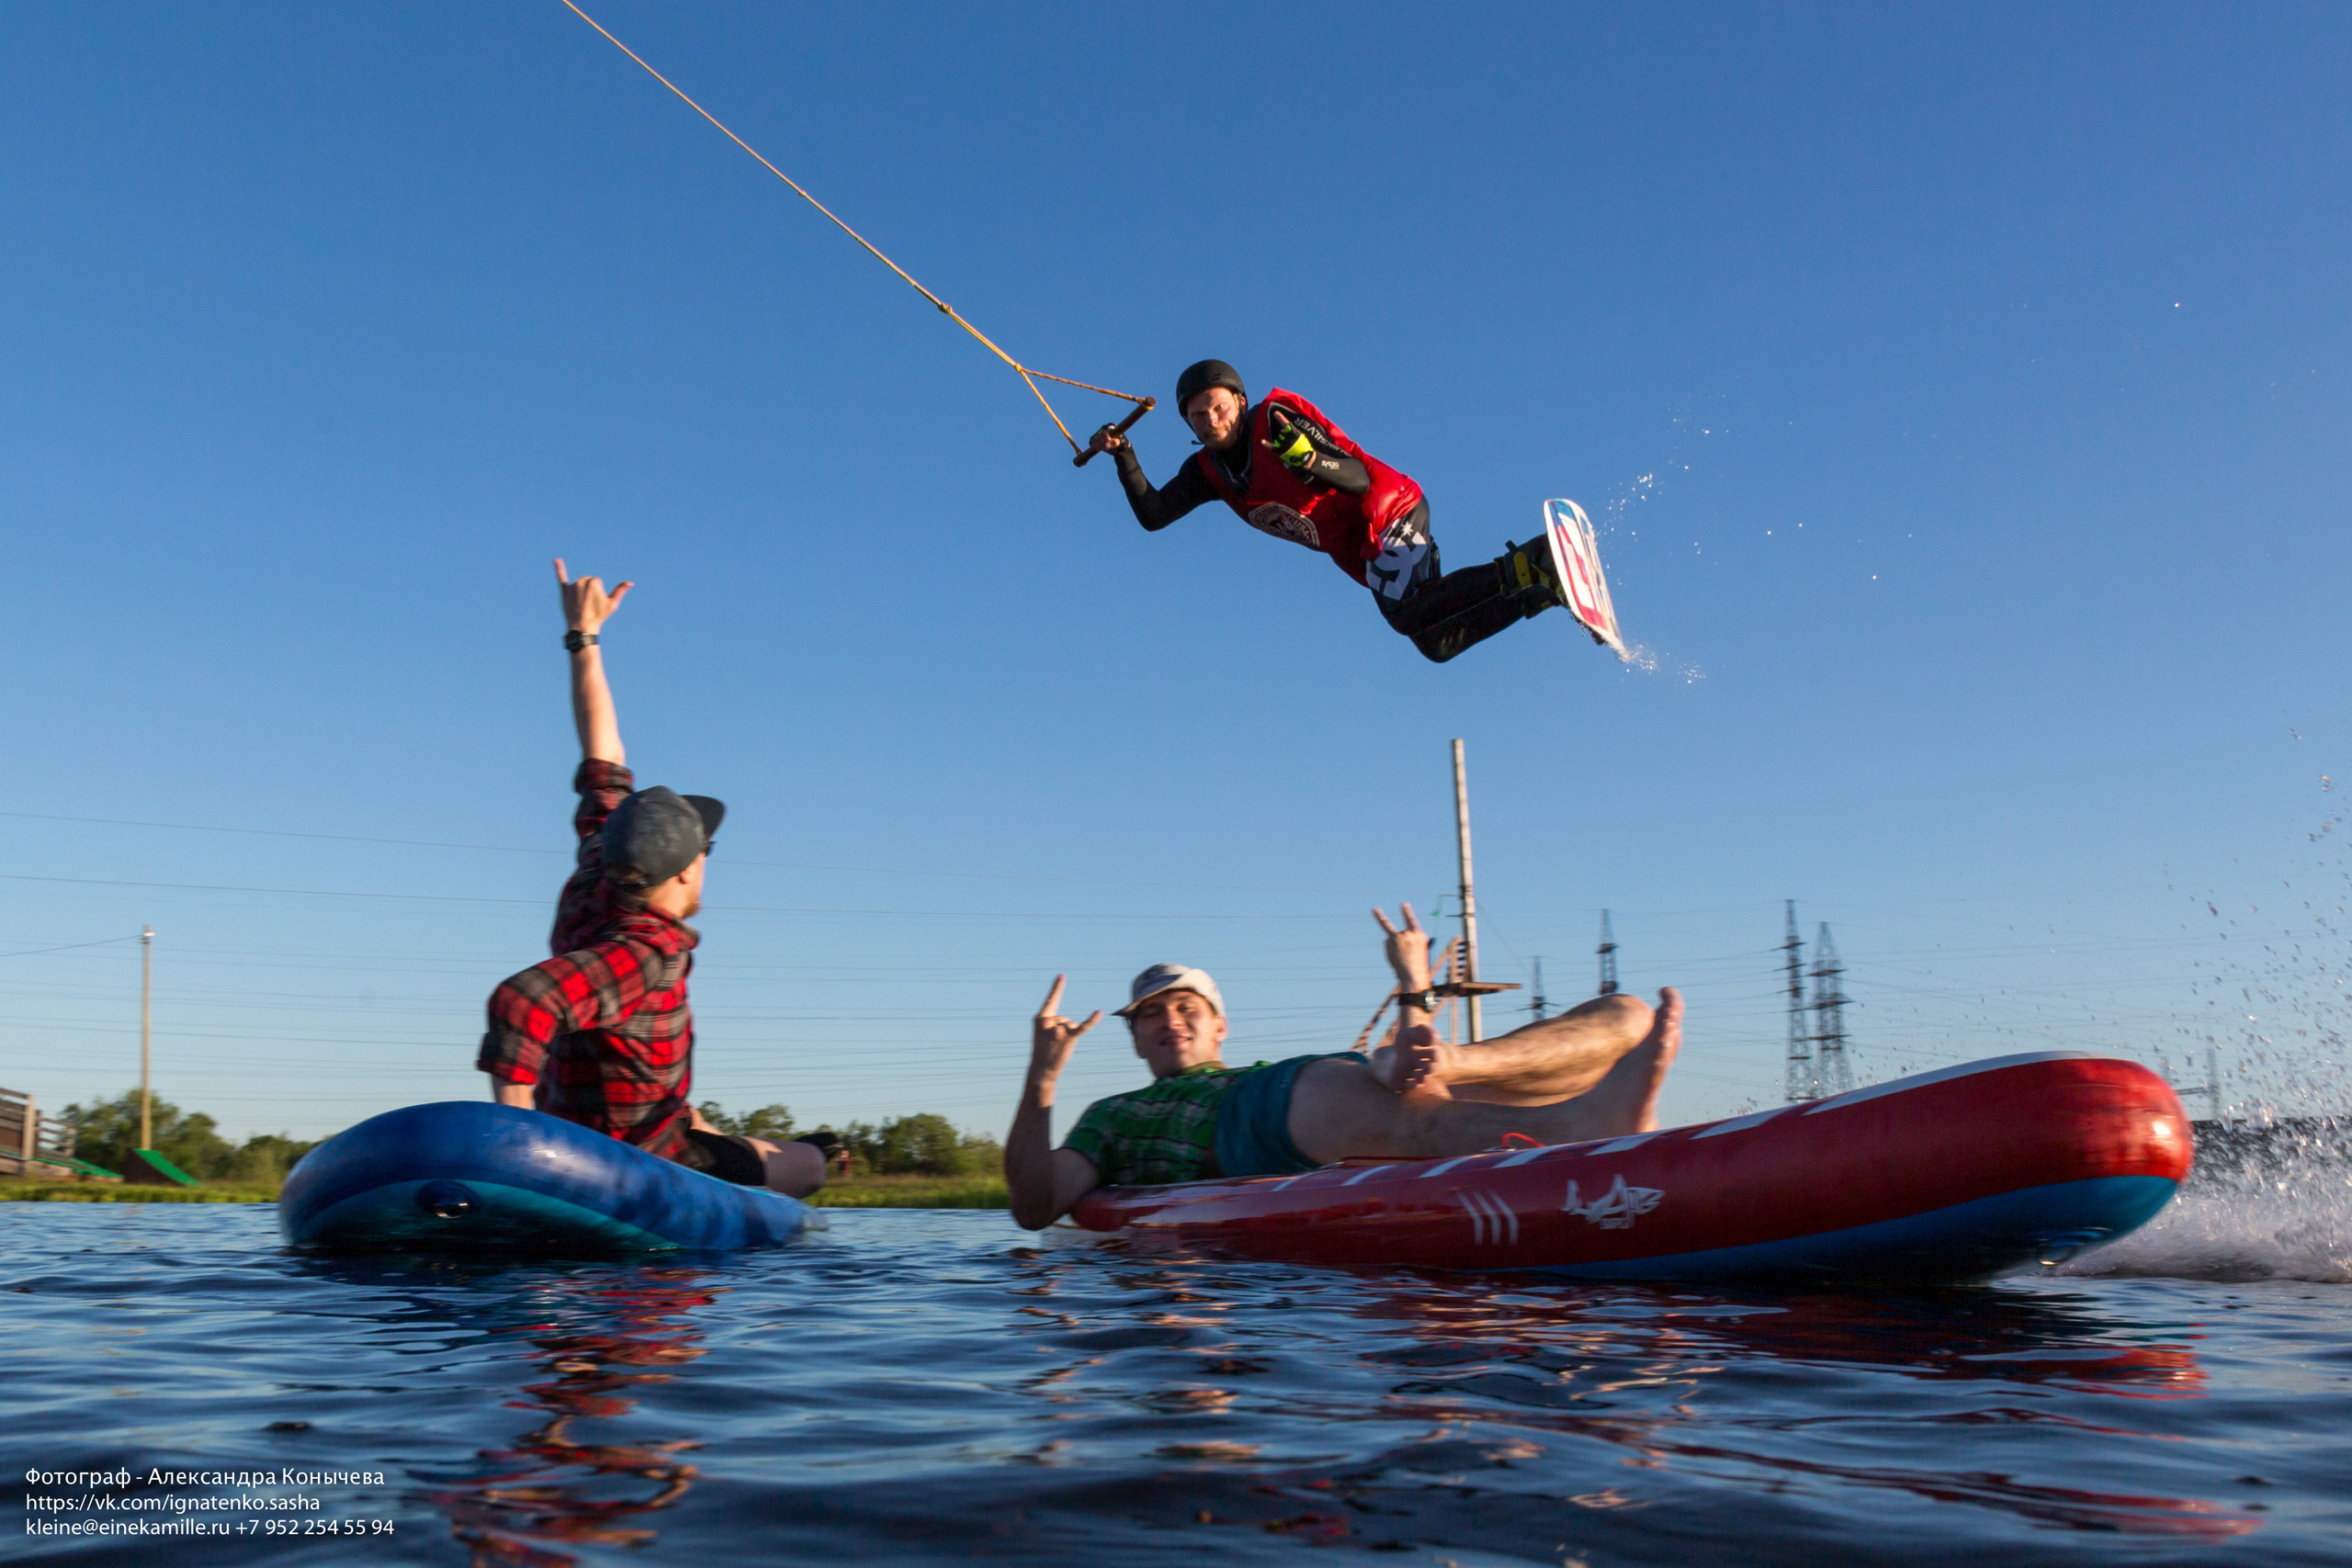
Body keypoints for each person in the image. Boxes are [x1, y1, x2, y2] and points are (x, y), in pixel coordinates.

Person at [476, 560, 827, 1198]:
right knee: (812, 1163)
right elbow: (522, 1000)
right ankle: (794, 1160)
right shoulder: (648, 951)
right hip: (636, 1156)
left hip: (619, 1106)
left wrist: (584, 638)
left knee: (695, 1114)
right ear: (689, 868)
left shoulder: (598, 867)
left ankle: (730, 1140)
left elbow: (601, 756)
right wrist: (518, 1147)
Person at [1004, 904, 1681, 1228]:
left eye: (1186, 1006)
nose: (1169, 1020)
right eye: (1150, 1014)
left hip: (1283, 1094)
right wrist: (1043, 1076)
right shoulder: (1112, 1116)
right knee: (1406, 1108)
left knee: (1627, 1014)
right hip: (1269, 1121)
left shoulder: (1266, 1078)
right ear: (1134, 1038)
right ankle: (1567, 1112)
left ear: (1220, 1025)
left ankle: (1522, 1089)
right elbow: (1036, 1206)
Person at [1087, 359, 1570, 663]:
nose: (1212, 422)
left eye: (1218, 408)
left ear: (1239, 400)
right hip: (1359, 548)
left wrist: (1308, 459)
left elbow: (1357, 477)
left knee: (1408, 615)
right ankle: (1539, 591)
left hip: (1385, 510)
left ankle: (1531, 561)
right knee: (1435, 642)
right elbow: (1154, 514)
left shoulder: (1274, 421)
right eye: (1197, 416)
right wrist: (1124, 456)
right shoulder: (1207, 472)